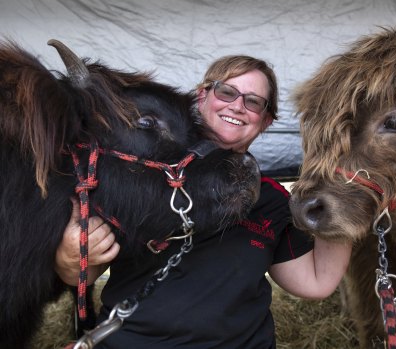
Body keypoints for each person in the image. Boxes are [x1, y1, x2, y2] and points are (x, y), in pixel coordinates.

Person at [55, 55, 352, 349]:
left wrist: (349, 195)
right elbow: (81, 271)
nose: (237, 106)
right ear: (201, 97)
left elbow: (315, 282)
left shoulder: (271, 198)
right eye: (226, 92)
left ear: (266, 121)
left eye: (254, 101)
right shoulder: (139, 173)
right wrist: (69, 255)